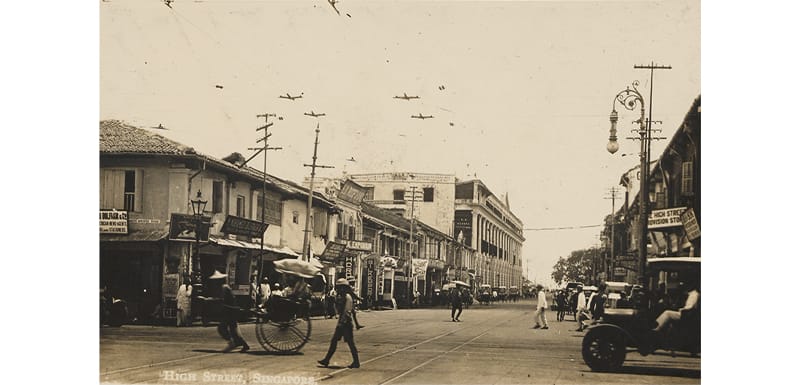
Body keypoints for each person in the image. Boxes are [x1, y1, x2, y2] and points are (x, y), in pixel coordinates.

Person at [318, 278, 360, 369]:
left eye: (341, 287)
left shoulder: (347, 297)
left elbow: (347, 311)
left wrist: (342, 323)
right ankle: (326, 360)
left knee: (349, 343)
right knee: (335, 341)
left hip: (345, 323)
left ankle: (356, 362)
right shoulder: (342, 296)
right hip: (343, 322)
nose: (339, 289)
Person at [204, 270, 249, 353]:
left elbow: (221, 299)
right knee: (233, 330)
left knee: (222, 328)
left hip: (230, 311)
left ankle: (232, 343)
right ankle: (244, 344)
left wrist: (210, 299)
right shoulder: (225, 287)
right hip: (231, 310)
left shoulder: (224, 288)